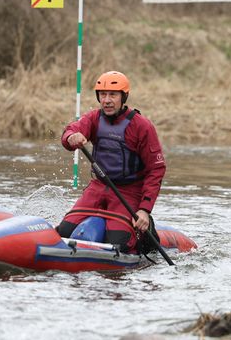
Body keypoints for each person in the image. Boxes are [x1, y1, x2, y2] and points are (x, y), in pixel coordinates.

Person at [56, 71, 166, 252]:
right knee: (65, 231)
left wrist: (144, 210)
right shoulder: (93, 118)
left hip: (129, 192)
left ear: (124, 97)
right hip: (97, 187)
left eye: (113, 95)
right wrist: (71, 137)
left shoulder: (142, 126)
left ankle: (148, 230)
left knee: (119, 243)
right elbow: (71, 130)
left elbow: (156, 169)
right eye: (103, 94)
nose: (106, 100)